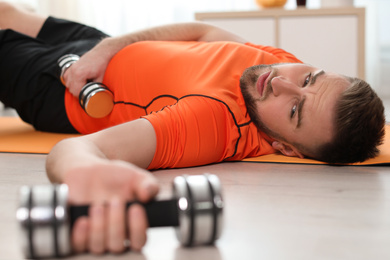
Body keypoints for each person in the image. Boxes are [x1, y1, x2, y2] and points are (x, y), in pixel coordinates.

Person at [0, 1, 385, 255]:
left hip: (63, 86)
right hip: (102, 48)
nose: (281, 83)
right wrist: (109, 47)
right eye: (310, 78)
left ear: (287, 148)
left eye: (295, 109)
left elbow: (74, 152)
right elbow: (201, 33)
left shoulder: (214, 121)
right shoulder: (279, 65)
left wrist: (92, 174)